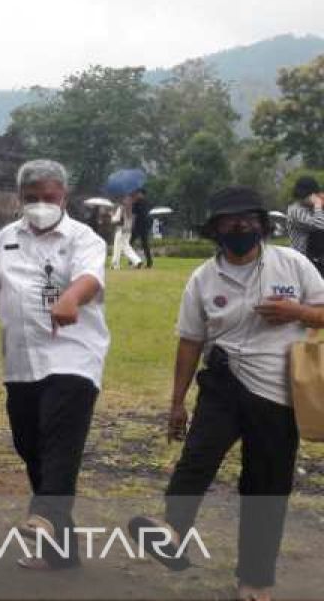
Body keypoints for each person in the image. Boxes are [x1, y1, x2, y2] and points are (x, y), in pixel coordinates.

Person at [129, 186, 324, 601]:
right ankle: (172, 532)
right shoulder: (202, 278)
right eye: (230, 221)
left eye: (249, 220)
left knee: (266, 486)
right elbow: (189, 342)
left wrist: (298, 313)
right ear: (216, 229)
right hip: (223, 382)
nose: (241, 226)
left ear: (262, 225)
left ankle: (254, 580)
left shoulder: (291, 263)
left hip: (279, 391)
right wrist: (177, 402)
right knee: (196, 460)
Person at [0, 159, 109, 571]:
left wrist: (70, 297)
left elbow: (90, 278)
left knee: (60, 438)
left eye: (49, 198)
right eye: (32, 199)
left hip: (72, 356)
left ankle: (44, 513)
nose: (41, 205)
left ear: (63, 197)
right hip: (22, 360)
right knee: (32, 447)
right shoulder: (6, 238)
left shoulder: (84, 238)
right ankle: (60, 551)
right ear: (19, 199)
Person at [286, 176, 324, 277]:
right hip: (302, 259)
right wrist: (318, 205)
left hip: (317, 260)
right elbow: (320, 225)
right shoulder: (295, 210)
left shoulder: (314, 208)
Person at [110, 198, 143, 269]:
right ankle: (137, 261)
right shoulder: (130, 209)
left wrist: (112, 215)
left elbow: (116, 220)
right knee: (126, 247)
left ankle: (115, 264)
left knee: (117, 247)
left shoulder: (121, 208)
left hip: (120, 230)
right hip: (128, 231)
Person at [129, 188, 154, 268]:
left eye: (137, 193)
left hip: (138, 225)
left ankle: (134, 260)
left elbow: (134, 215)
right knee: (144, 244)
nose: (136, 194)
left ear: (141, 194)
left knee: (130, 243)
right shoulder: (147, 202)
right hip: (145, 225)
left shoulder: (136, 203)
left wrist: (131, 225)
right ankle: (148, 262)